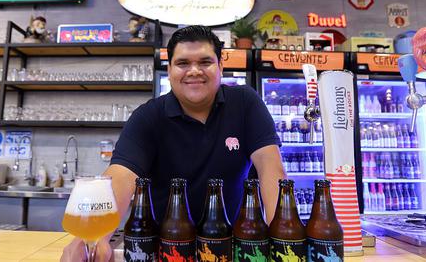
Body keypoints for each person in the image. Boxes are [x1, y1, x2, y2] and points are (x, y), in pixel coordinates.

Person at [60, 26, 285, 261]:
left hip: (231, 246)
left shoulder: (245, 103)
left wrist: (278, 238)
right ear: (169, 70)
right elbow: (121, 175)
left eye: (205, 62)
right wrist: (94, 239)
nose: (194, 71)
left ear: (220, 67)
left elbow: (271, 167)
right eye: (183, 63)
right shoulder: (149, 117)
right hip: (166, 249)